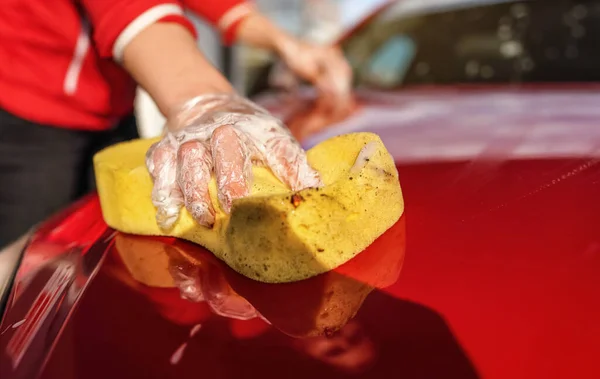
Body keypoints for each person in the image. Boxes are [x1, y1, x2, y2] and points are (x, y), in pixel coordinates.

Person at [0, 0, 352, 245]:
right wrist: (202, 99)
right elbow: (129, 9)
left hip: (114, 111)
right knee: (28, 266)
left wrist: (285, 43)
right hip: (31, 112)